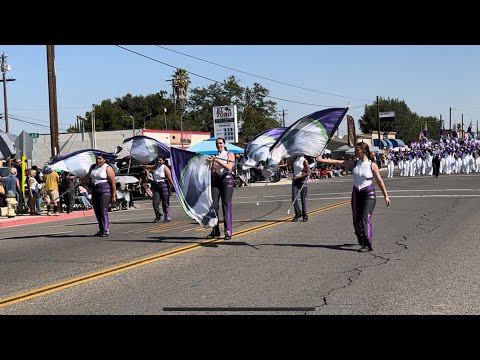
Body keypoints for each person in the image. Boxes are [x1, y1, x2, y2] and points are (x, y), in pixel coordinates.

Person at [316, 142, 391, 252]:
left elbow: (380, 181)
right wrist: (322, 160)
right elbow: (338, 162)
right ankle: (361, 239)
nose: (355, 152)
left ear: (364, 151)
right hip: (356, 193)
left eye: (357, 150)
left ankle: (367, 244)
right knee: (356, 220)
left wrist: (386, 196)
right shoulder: (354, 163)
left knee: (365, 217)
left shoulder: (372, 165)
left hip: (368, 193)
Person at [81, 154, 117, 237]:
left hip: (104, 191)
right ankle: (101, 229)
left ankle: (106, 230)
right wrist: (82, 179)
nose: (98, 161)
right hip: (95, 190)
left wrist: (113, 195)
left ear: (104, 160)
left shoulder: (108, 168)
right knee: (97, 211)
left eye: (100, 159)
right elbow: (88, 176)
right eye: (97, 159)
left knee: (103, 210)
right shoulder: (93, 167)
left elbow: (113, 182)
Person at [207, 137, 235, 240]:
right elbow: (212, 170)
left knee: (226, 205)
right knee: (213, 206)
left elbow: (229, 167)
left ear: (224, 144)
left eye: (221, 143)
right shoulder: (215, 156)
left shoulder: (229, 154)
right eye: (217, 144)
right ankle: (215, 230)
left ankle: (228, 231)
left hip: (226, 180)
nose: (219, 145)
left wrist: (217, 160)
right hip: (216, 180)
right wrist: (210, 163)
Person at [141, 156, 174, 222]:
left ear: (163, 161)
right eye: (158, 160)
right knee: (155, 202)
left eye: (160, 160)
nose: (159, 162)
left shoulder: (165, 168)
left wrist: (173, 186)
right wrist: (142, 165)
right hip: (156, 185)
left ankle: (167, 216)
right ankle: (158, 215)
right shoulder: (156, 166)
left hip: (163, 185)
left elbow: (170, 178)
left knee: (165, 202)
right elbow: (148, 167)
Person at [291, 154, 311, 222]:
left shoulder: (304, 160)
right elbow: (293, 169)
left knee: (303, 199)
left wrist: (298, 177)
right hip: (295, 181)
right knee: (294, 198)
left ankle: (305, 216)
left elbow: (308, 172)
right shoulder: (295, 159)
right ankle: (298, 213)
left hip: (302, 180)